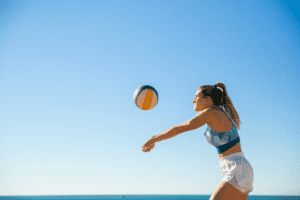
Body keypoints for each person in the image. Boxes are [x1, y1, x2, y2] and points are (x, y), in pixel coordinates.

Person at [141, 82, 254, 200]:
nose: (193, 101)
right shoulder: (218, 113)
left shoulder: (211, 113)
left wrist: (153, 138)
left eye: (196, 97)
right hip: (241, 169)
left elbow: (180, 128)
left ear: (207, 100)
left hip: (236, 170)